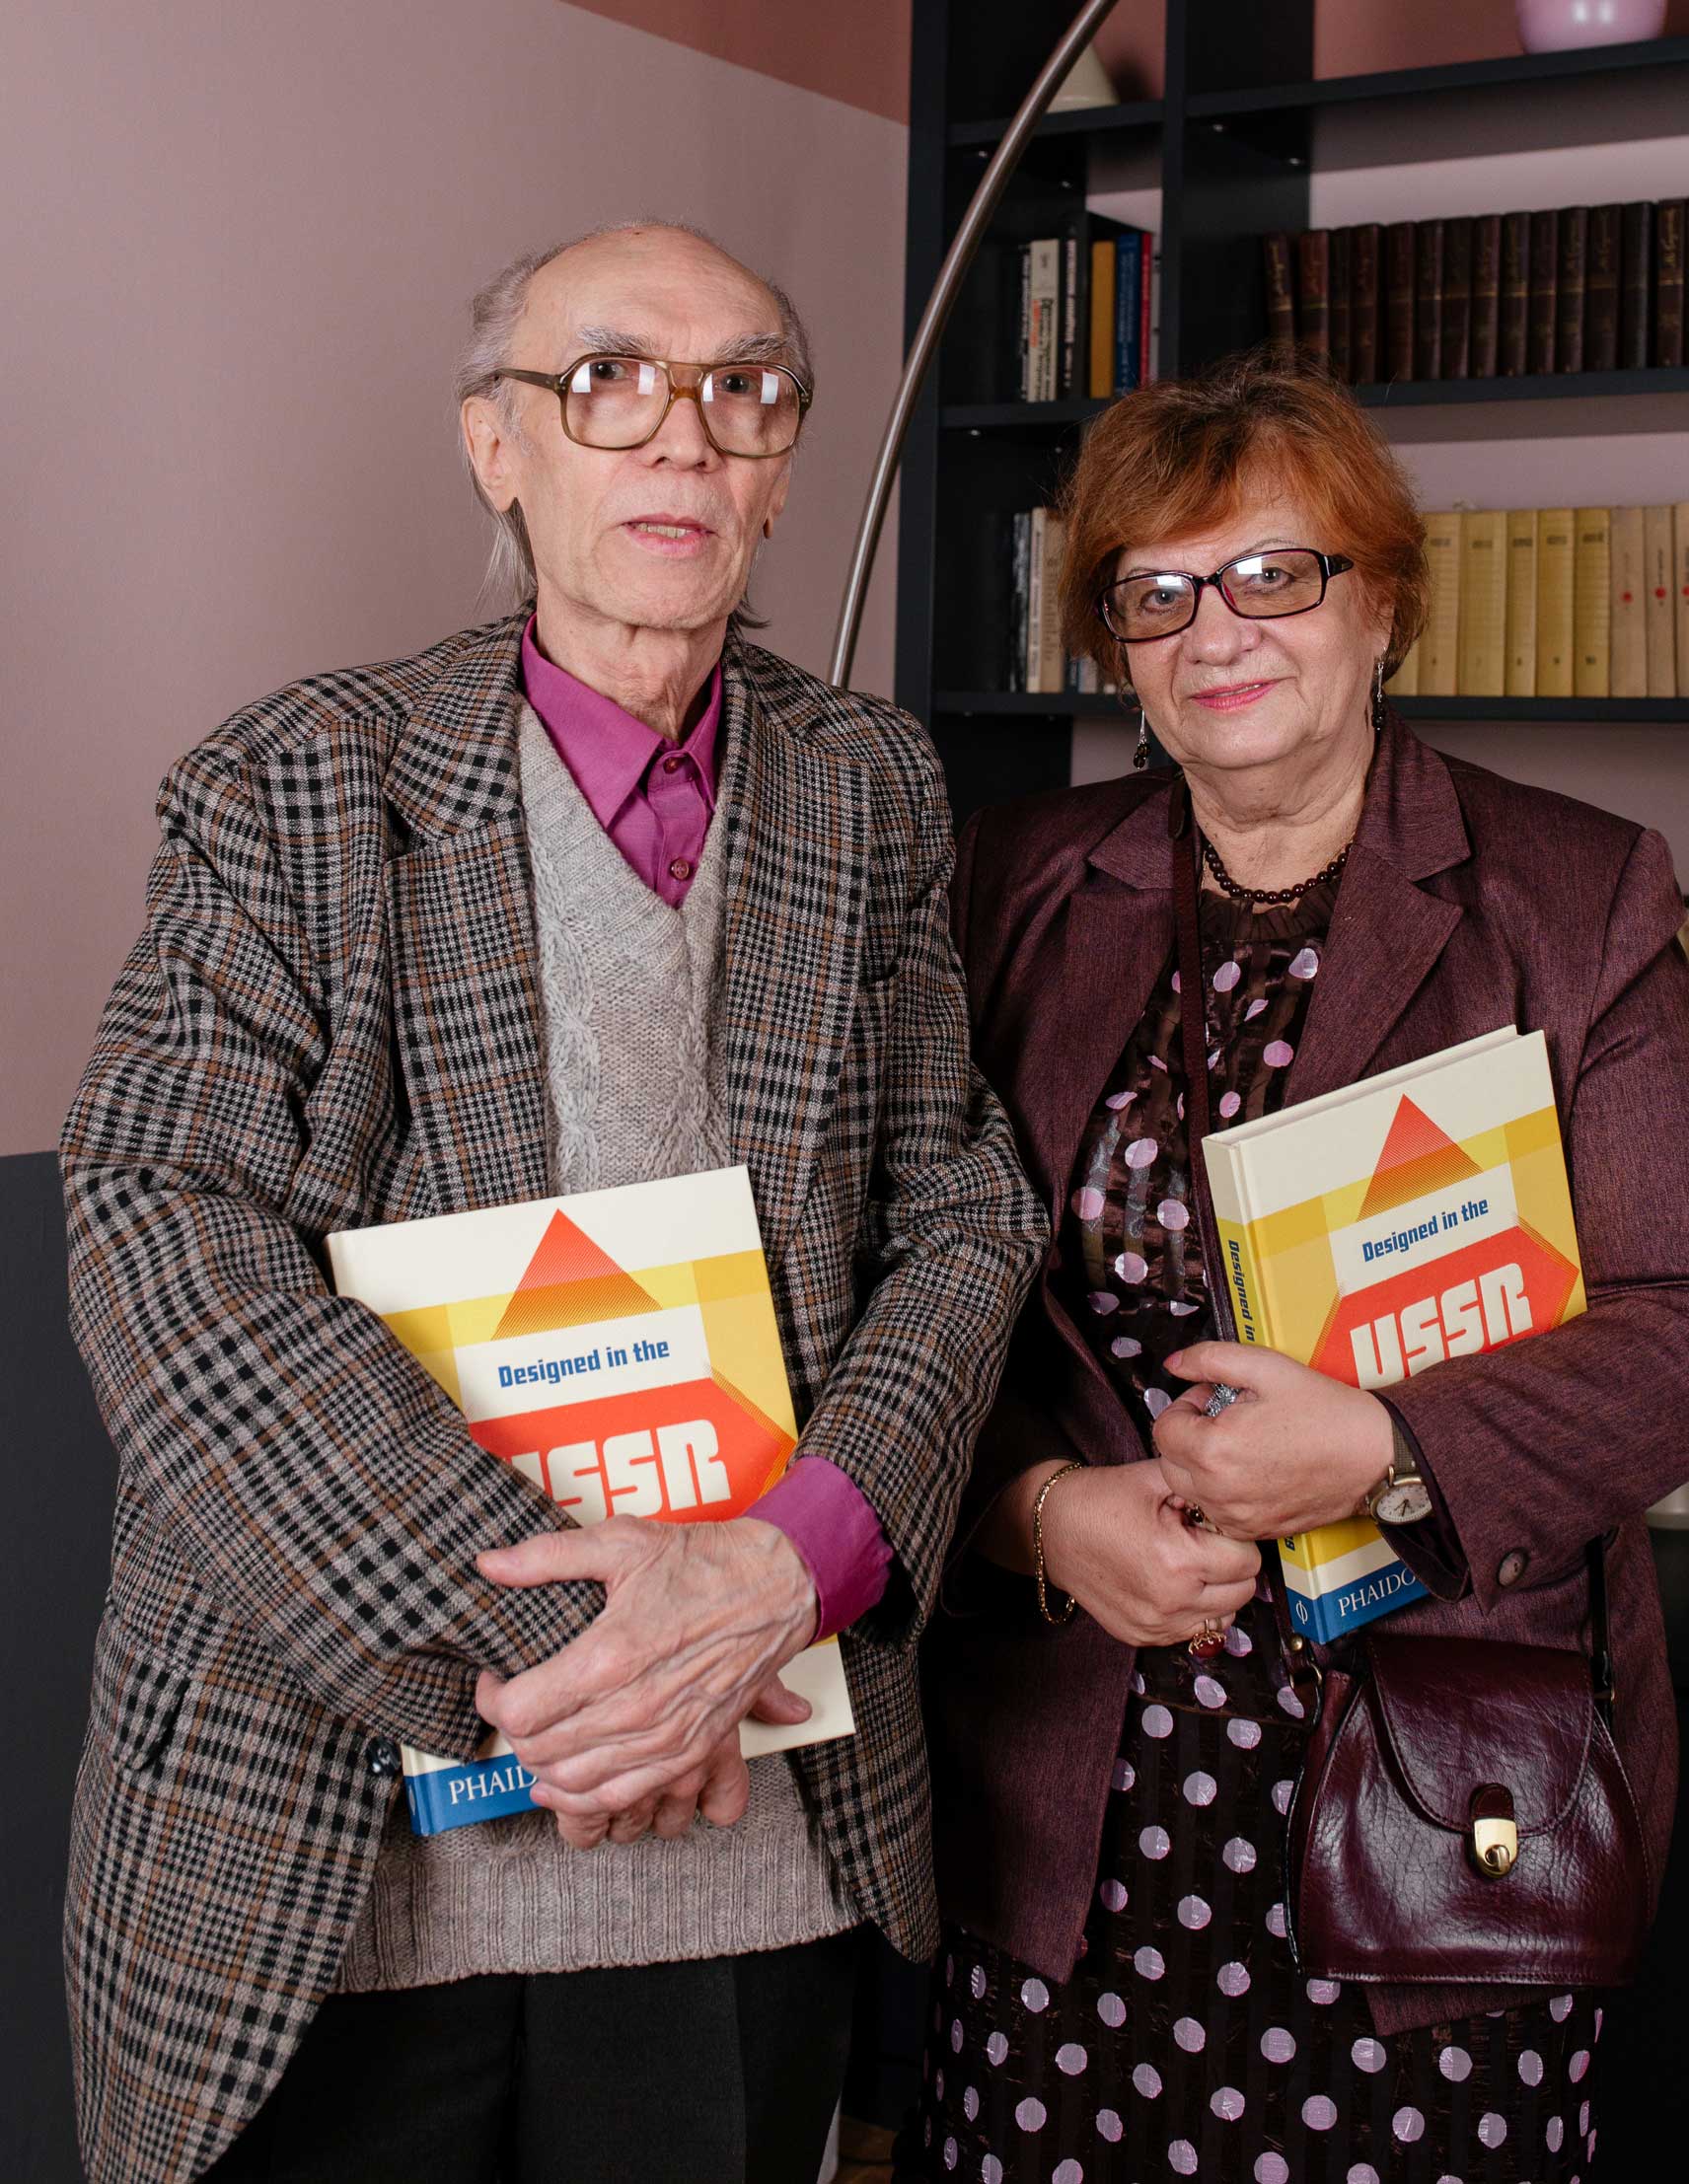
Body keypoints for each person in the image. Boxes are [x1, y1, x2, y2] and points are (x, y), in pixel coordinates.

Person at [60, 220, 1047, 2184]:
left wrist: (782, 1571)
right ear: (495, 447)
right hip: (324, 1851)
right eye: (608, 379)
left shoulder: (869, 791)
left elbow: (959, 1201)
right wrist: (581, 1678)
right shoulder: (293, 784)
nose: (681, 438)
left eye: (742, 389)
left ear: (781, 464)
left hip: (748, 1853)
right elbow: (161, 1228)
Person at [902, 351, 1689, 2183]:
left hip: (1438, 1775)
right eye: (1156, 591)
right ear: (1118, 647)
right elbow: (906, 1290)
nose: (1214, 629)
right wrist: (1038, 1514)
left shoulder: (1573, 892)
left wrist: (1385, 1451)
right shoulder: (1016, 886)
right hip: (1079, 1784)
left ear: (1380, 602)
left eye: (1274, 574)